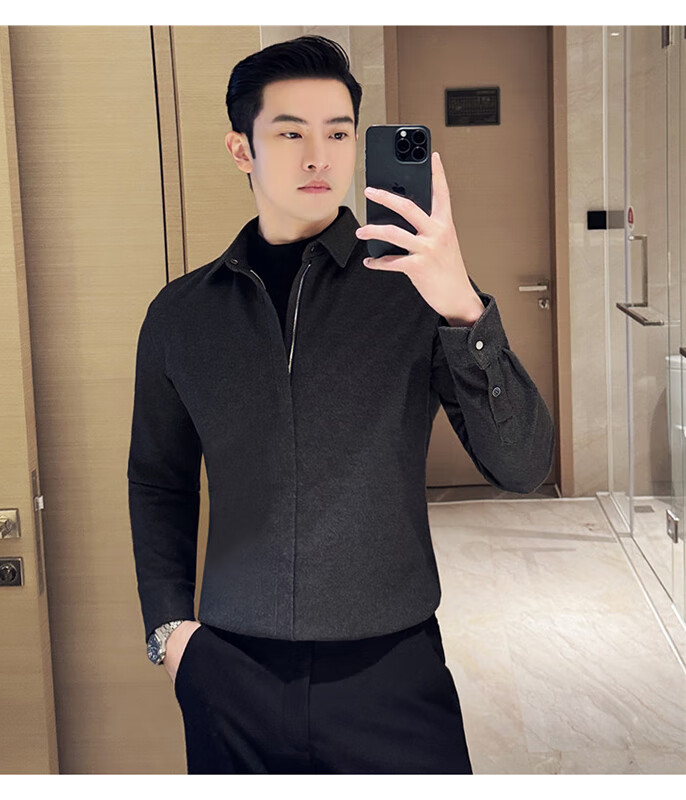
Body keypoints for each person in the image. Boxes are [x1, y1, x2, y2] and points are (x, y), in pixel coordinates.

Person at [127, 34, 554, 774]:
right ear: (241, 149)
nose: (318, 157)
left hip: (393, 673)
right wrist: (170, 633)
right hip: (231, 671)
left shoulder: (415, 293)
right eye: (290, 134)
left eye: (338, 133)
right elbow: (158, 480)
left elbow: (523, 466)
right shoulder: (181, 315)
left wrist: (462, 306)